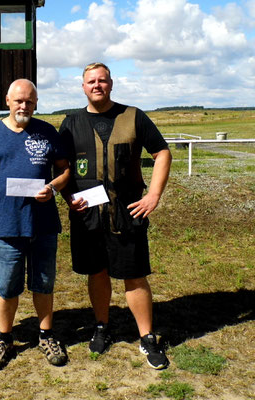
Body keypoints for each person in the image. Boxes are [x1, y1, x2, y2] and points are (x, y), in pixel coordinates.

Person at [59, 63, 172, 369]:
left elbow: (162, 153)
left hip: (127, 213)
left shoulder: (133, 116)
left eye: (102, 80)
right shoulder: (71, 122)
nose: (97, 85)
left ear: (111, 84)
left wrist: (154, 195)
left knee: (134, 276)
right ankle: (101, 326)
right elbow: (60, 166)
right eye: (91, 81)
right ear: (83, 87)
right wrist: (67, 196)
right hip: (87, 216)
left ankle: (148, 338)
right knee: (96, 272)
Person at [0, 79, 71, 369]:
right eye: (18, 101)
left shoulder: (47, 132)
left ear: (36, 102)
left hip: (43, 225)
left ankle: (46, 335)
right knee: (7, 287)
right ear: (7, 101)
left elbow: (65, 171)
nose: (23, 106)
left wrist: (52, 188)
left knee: (43, 284)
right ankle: (4, 339)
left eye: (29, 101)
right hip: (6, 226)